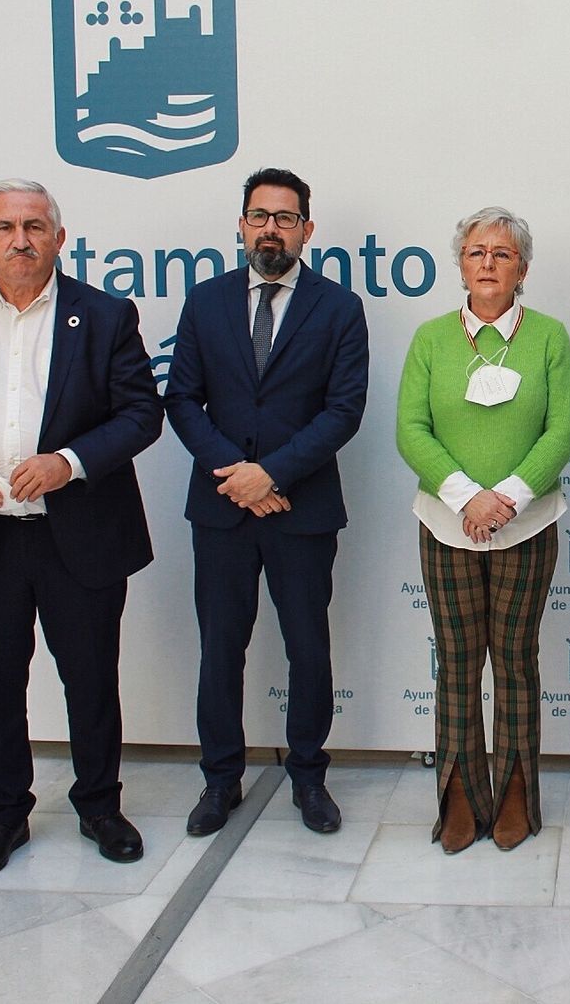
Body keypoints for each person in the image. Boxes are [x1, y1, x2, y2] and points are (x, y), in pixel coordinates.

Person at [0, 178, 163, 880]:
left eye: (35, 226)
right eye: (7, 227)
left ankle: (99, 805)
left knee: (90, 679)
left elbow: (142, 413)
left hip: (77, 535)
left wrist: (69, 462)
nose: (22, 239)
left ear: (59, 238)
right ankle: (3, 815)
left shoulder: (104, 315)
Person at [164, 167, 370, 838]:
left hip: (301, 510)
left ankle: (309, 777)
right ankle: (220, 779)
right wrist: (239, 476)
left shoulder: (338, 308)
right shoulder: (205, 302)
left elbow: (343, 411)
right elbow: (182, 400)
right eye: (260, 216)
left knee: (308, 648)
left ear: (307, 230)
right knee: (221, 648)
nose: (271, 229)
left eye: (285, 217)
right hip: (223, 508)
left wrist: (272, 475)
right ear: (242, 224)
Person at [395, 207, 570, 853]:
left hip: (527, 526)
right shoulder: (431, 339)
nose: (489, 264)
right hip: (445, 525)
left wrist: (506, 499)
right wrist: (467, 498)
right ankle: (458, 796)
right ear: (461, 264)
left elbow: (565, 431)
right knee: (456, 666)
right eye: (477, 252)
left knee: (515, 664)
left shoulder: (550, 336)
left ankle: (516, 793)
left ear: (522, 269)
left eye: (503, 254)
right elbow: (410, 430)